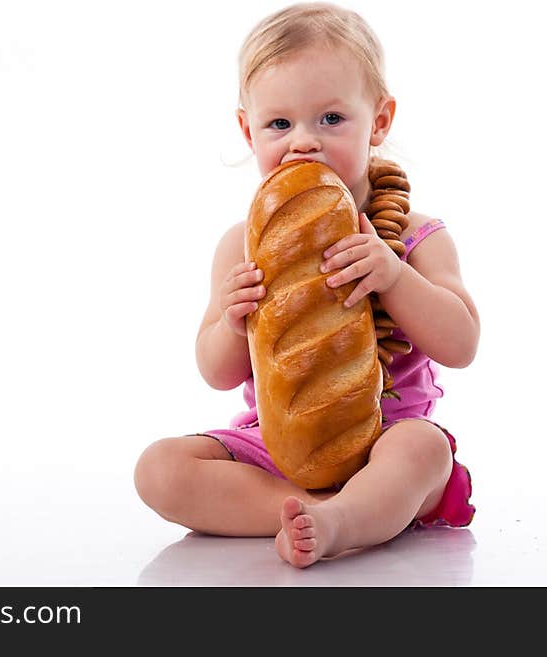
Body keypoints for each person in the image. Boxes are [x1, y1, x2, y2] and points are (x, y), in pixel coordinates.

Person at [134, 2, 480, 569]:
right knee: (158, 470)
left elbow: (462, 344)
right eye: (279, 124)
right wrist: (230, 321)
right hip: (276, 444)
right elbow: (216, 373)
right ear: (248, 131)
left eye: (331, 119)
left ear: (381, 121)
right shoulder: (239, 245)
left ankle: (343, 519)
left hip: (384, 442)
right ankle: (312, 509)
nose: (303, 142)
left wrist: (394, 277)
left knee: (425, 449)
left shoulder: (415, 235)